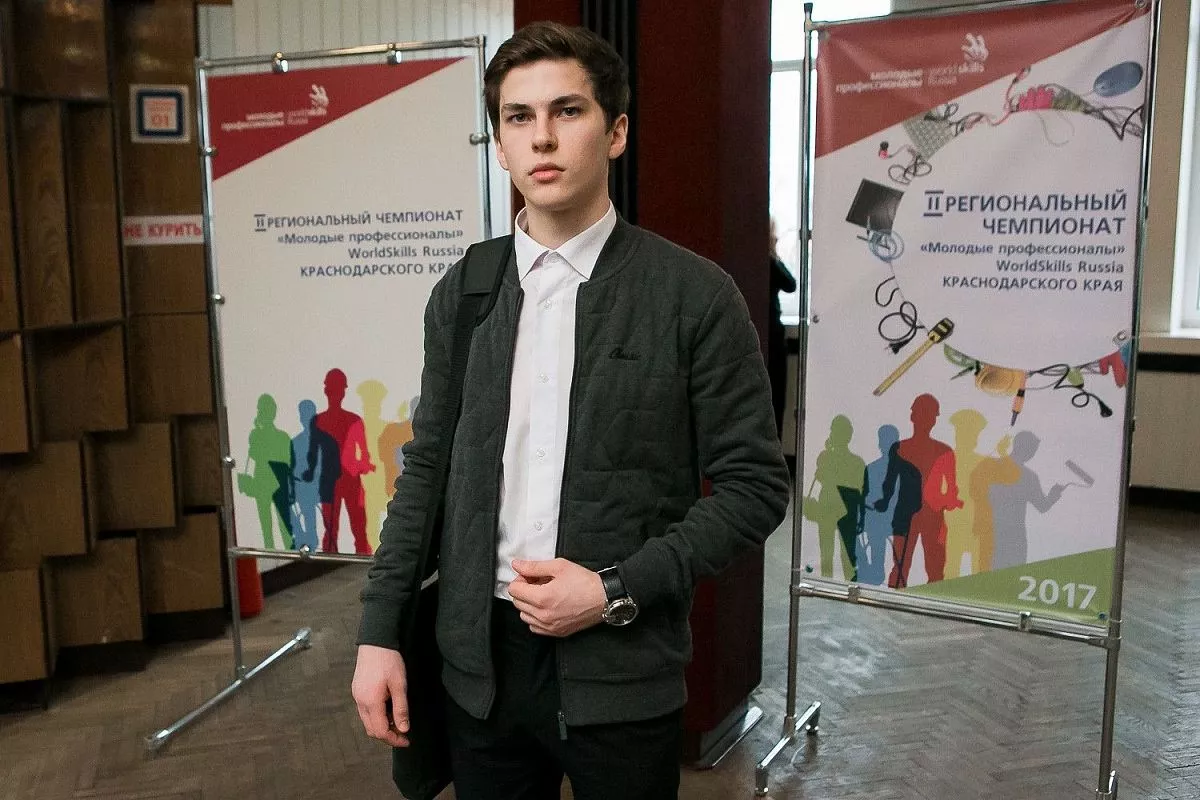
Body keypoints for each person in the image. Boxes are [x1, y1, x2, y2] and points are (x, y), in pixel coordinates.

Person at [351, 21, 789, 800]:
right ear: (499, 144)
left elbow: (755, 487)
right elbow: (426, 472)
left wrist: (616, 587)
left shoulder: (693, 296)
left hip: (622, 674)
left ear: (615, 132)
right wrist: (379, 633)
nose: (542, 138)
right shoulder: (465, 293)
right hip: (478, 672)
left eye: (568, 111)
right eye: (518, 118)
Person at [768, 220, 797, 437]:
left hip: (769, 335)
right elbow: (790, 284)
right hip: (773, 338)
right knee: (776, 400)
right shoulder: (769, 262)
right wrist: (773, 253)